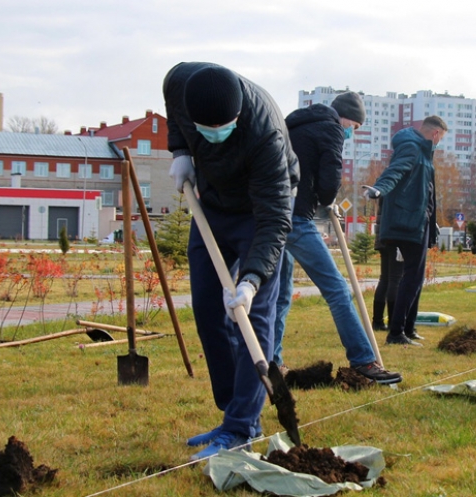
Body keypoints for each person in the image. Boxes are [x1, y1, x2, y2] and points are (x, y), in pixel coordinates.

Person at [163, 62, 298, 461]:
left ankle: (241, 428)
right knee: (207, 306)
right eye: (206, 129)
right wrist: (181, 150)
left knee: (254, 315)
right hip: (211, 205)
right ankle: (232, 414)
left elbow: (275, 220)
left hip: (261, 210)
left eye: (223, 128)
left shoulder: (264, 133)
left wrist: (251, 280)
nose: (215, 134)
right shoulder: (180, 83)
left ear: (237, 116)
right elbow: (174, 112)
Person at [273, 92, 401, 384]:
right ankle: (363, 360)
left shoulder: (295, 124)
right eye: (354, 127)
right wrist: (327, 199)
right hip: (296, 217)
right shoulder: (331, 128)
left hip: (273, 213)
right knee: (337, 289)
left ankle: (272, 362)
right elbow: (330, 178)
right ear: (346, 118)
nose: (351, 133)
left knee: (280, 294)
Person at [363, 116, 448, 346]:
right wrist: (379, 189)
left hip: (419, 220)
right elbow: (396, 170)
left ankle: (408, 328)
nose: (439, 143)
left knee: (415, 277)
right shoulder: (412, 147)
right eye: (441, 138)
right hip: (408, 221)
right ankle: (396, 332)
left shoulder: (424, 152)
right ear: (436, 134)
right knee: (411, 278)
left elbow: (426, 190)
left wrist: (431, 219)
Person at [371, 198, 404, 332]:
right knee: (395, 279)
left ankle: (377, 321)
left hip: (382, 236)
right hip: (394, 237)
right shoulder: (398, 189)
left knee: (384, 279)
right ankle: (393, 322)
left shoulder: (384, 189)